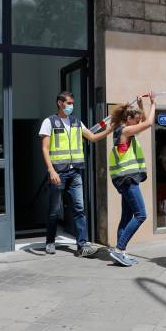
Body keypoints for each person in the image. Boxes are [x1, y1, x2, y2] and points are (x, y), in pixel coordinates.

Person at [40, 91, 112, 257]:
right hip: (58, 172)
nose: (71, 106)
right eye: (69, 103)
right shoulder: (49, 122)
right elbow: (44, 148)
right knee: (54, 210)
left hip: (75, 173)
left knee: (79, 209)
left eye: (72, 103)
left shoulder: (76, 122)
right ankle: (50, 241)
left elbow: (92, 137)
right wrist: (51, 170)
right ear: (60, 103)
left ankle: (82, 245)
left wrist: (110, 129)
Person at [106, 92, 157, 266]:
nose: (137, 123)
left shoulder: (123, 129)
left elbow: (142, 121)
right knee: (141, 215)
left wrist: (142, 106)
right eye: (135, 120)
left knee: (126, 216)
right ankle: (119, 249)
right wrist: (154, 103)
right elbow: (148, 123)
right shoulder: (125, 131)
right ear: (128, 119)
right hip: (127, 179)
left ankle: (121, 253)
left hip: (123, 179)